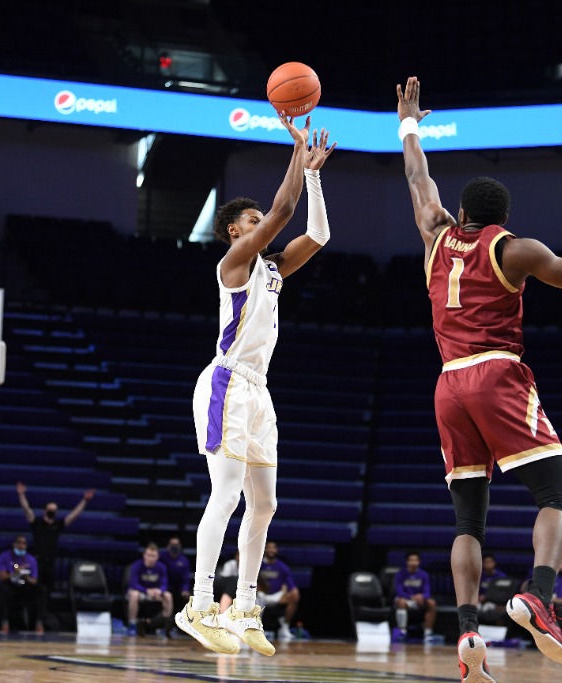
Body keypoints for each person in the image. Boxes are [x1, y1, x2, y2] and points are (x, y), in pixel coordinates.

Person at [396, 75, 562, 679]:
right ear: (505, 217)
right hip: (496, 373)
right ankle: (539, 593)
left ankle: (467, 633)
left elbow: (417, 178)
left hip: (447, 383)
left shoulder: (436, 236)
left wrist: (410, 123)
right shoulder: (515, 249)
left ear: (460, 213)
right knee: (556, 495)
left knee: (468, 522)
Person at [174, 112, 335, 658]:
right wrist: (297, 151)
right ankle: (198, 603)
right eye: (252, 217)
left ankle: (244, 606)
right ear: (234, 232)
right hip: (226, 383)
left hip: (259, 391)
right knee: (225, 494)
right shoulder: (234, 264)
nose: (262, 219)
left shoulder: (270, 269)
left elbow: (316, 232)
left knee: (263, 505)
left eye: (259, 216)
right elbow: (285, 210)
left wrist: (311, 173)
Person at [15, 481, 95, 591]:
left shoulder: (58, 525)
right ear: (45, 511)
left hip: (50, 563)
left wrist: (85, 501)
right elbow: (26, 509)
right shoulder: (36, 523)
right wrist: (21, 495)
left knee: (48, 590)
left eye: (54, 510)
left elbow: (73, 515)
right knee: (33, 589)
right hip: (37, 562)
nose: (52, 512)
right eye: (50, 510)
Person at [0, 534, 47, 634]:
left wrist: (26, 577)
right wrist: (15, 573)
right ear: (14, 544)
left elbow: (34, 580)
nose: (21, 546)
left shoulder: (31, 559)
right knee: (4, 590)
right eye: (19, 543)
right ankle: (4, 623)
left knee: (42, 589)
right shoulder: (5, 556)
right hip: (9, 584)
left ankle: (39, 623)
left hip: (24, 584)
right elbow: (2, 576)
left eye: (24, 544)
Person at [126, 544, 173, 636]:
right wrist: (146, 590)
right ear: (144, 555)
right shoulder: (137, 566)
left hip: (155, 593)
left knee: (168, 596)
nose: (150, 558)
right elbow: (133, 584)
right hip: (141, 591)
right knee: (134, 594)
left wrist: (160, 591)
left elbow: (164, 584)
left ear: (157, 557)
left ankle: (164, 625)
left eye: (153, 556)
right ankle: (132, 624)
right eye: (148, 555)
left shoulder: (161, 567)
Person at [260, 541, 301, 642]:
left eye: (273, 548)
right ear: (264, 550)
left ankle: (285, 626)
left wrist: (290, 591)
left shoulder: (282, 567)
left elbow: (291, 585)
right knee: (255, 594)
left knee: (295, 595)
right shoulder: (259, 565)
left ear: (277, 550)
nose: (271, 550)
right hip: (260, 595)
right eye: (268, 548)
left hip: (276, 596)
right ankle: (256, 627)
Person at [393, 552, 438, 643]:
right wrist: (411, 597)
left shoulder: (424, 575)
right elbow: (399, 591)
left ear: (419, 562)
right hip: (405, 600)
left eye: (415, 560)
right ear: (407, 562)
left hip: (419, 601)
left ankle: (428, 633)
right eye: (411, 560)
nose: (413, 562)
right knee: (400, 602)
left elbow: (427, 591)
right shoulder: (400, 574)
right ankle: (402, 631)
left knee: (432, 603)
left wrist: (422, 597)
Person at [159, 537, 192, 616]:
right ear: (168, 546)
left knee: (187, 597)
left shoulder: (184, 560)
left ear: (180, 546)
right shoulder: (161, 557)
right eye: (172, 545)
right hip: (163, 586)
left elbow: (185, 578)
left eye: (176, 545)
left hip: (177, 588)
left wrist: (184, 589)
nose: (174, 547)